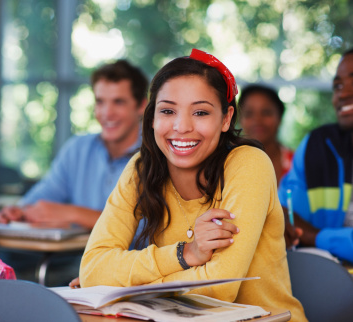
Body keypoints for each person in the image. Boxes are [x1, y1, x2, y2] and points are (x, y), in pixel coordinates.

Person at [79, 49, 306, 321]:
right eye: (167, 110)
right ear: (152, 119)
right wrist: (185, 253)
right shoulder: (141, 168)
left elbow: (219, 289)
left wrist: (121, 288)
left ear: (225, 119)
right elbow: (92, 269)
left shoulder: (249, 164)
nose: (182, 126)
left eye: (200, 112)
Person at [0, 59, 148, 229]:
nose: (107, 113)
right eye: (100, 102)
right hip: (73, 255)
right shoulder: (77, 149)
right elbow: (43, 196)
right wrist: (19, 212)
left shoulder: (157, 157)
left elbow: (148, 228)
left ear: (141, 106)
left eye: (118, 102)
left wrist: (72, 213)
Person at [278, 48, 353, 262]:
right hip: (325, 279)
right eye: (338, 86)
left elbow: (304, 231)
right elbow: (286, 216)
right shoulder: (318, 145)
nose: (343, 94)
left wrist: (316, 237)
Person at [238, 84, 293, 185]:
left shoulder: (297, 164)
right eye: (249, 113)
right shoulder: (228, 164)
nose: (257, 120)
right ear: (240, 119)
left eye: (266, 112)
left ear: (280, 117)